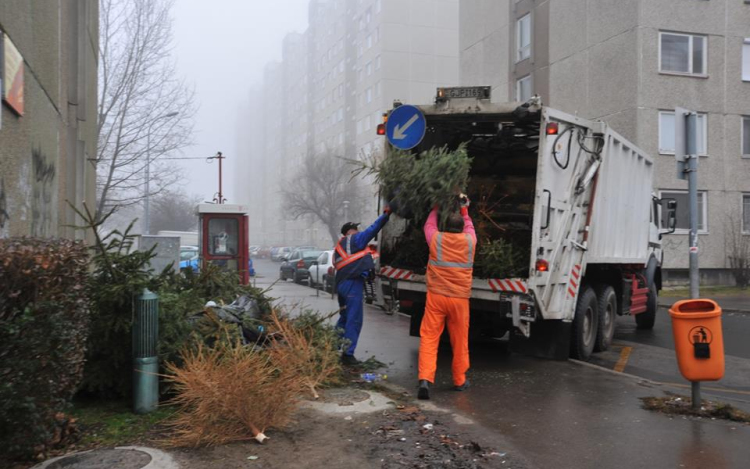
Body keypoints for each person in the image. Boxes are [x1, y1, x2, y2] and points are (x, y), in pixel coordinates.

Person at [417, 195, 476, 399]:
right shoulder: (470, 241)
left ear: (446, 226)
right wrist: (464, 209)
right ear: (461, 228)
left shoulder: (436, 239)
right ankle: (459, 380)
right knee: (460, 340)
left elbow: (429, 225)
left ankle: (425, 379)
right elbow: (470, 226)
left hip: (437, 297)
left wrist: (435, 208)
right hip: (459, 299)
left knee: (429, 337)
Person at [334, 206, 391, 365]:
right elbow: (373, 229)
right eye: (356, 229)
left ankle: (331, 346)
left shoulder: (340, 246)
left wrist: (367, 272)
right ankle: (348, 354)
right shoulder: (355, 240)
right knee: (354, 319)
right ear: (350, 231)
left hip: (342, 285)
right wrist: (386, 215)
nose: (359, 231)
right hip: (353, 285)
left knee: (344, 317)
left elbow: (350, 263)